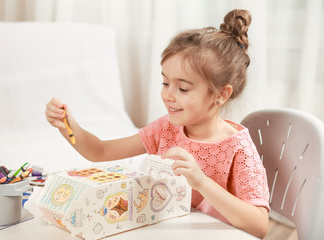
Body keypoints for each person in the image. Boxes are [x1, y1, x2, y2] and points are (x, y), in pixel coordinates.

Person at [45, 9, 270, 239]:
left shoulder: (238, 148)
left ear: (221, 94)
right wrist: (67, 125)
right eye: (165, 83)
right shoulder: (166, 129)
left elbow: (260, 225)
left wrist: (201, 182)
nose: (168, 96)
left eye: (182, 88)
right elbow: (100, 150)